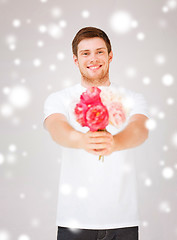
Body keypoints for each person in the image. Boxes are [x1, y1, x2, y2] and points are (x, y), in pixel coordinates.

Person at [43, 27, 149, 240]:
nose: (93, 58)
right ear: (75, 60)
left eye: (100, 52)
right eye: (85, 53)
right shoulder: (59, 99)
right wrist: (81, 139)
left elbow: (140, 129)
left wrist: (115, 143)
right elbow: (56, 127)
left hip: (123, 221)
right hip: (74, 220)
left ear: (110, 56)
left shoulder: (132, 98)